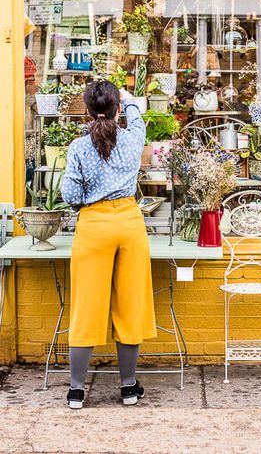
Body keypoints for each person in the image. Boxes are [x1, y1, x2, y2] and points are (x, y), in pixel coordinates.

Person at [61, 81, 156, 409]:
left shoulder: (78, 147)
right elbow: (138, 115)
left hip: (94, 225)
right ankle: (129, 387)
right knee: (129, 305)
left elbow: (70, 194)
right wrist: (127, 98)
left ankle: (76, 390)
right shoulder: (132, 138)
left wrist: (89, 199)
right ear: (117, 109)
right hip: (129, 223)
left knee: (86, 306)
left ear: (86, 112)